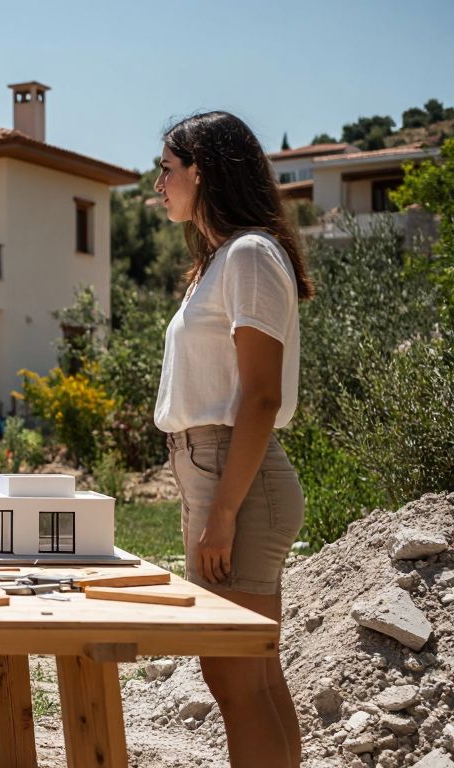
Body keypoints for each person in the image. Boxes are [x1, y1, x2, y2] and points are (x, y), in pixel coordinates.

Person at [152, 111, 313, 768]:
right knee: (250, 678)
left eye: (166, 170)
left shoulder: (248, 254)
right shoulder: (220, 262)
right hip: (215, 479)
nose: (157, 184)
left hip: (236, 483)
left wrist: (222, 512)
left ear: (201, 172)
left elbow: (262, 395)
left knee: (236, 678)